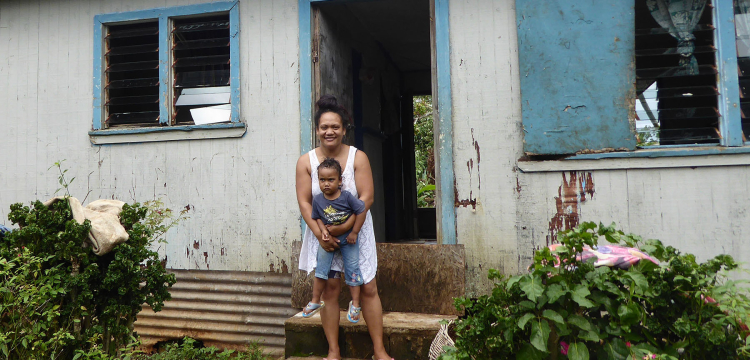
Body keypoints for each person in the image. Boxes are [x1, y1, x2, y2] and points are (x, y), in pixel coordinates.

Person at [296, 95, 394, 360]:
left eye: (335, 127)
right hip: (322, 233)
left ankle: (379, 351)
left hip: (355, 232)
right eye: (324, 127)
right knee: (330, 290)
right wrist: (321, 234)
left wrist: (346, 228)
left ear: (344, 129)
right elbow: (305, 202)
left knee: (368, 287)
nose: (330, 131)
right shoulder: (306, 162)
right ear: (317, 130)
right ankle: (333, 351)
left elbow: (367, 197)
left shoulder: (357, 157)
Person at [302, 158, 366, 324]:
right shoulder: (317, 200)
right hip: (328, 241)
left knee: (353, 269)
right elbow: (316, 218)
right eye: (322, 180)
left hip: (348, 239)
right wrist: (323, 232)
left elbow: (361, 211)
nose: (326, 184)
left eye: (331, 180)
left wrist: (354, 232)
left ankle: (356, 304)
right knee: (321, 271)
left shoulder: (347, 197)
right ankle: (315, 300)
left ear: (340, 181)